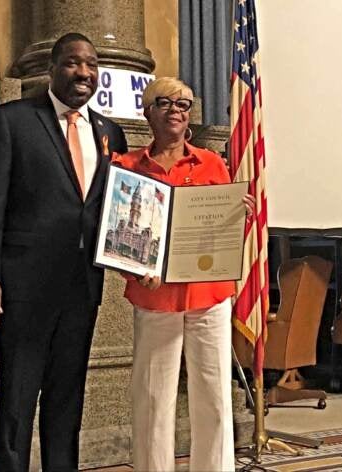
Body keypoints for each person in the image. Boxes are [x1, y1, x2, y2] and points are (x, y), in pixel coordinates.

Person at [0, 32, 127, 471]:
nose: (84, 73)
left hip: (81, 286)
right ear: (53, 68)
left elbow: (122, 207)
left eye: (92, 65)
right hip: (22, 287)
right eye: (74, 63)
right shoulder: (12, 121)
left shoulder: (109, 132)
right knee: (18, 397)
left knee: (67, 395)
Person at [111, 77, 254, 472]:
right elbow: (117, 240)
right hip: (155, 298)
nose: (175, 110)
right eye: (165, 103)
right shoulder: (125, 167)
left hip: (209, 295)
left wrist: (237, 213)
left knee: (214, 395)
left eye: (184, 104)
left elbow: (224, 236)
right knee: (153, 396)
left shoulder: (212, 163)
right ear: (147, 111)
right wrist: (135, 271)